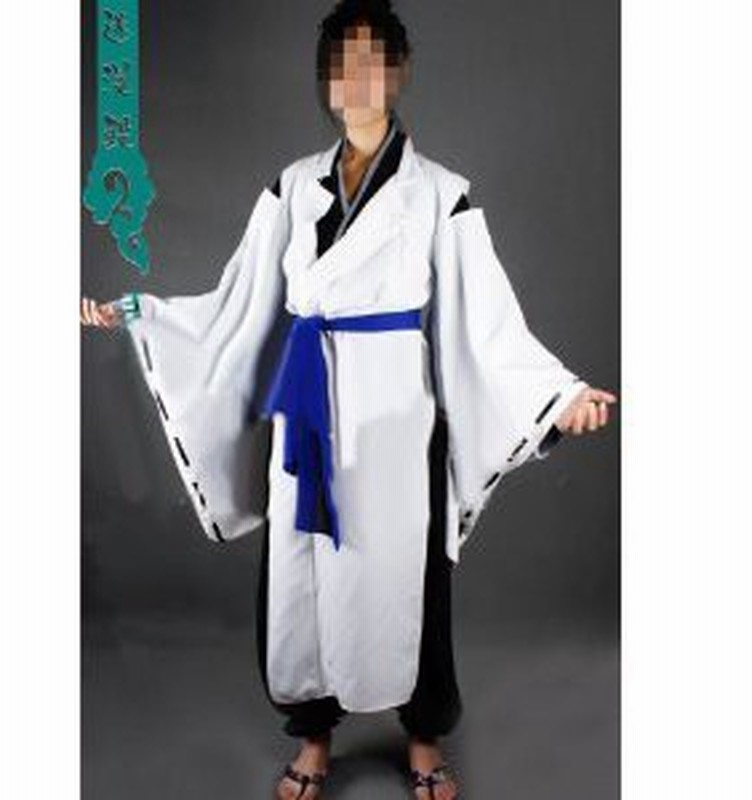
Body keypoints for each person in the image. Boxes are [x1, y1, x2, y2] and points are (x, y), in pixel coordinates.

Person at [81, 1, 617, 797]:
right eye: (343, 63)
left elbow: (488, 320)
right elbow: (237, 301)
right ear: (327, 79)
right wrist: (143, 314)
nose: (357, 79)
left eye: (373, 61)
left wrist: (558, 395)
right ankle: (313, 737)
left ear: (398, 72)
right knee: (300, 570)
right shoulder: (292, 187)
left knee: (409, 575)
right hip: (306, 405)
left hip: (395, 413)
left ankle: (424, 736)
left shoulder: (442, 195)